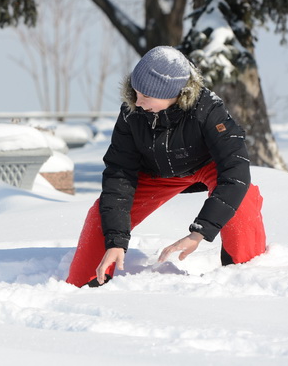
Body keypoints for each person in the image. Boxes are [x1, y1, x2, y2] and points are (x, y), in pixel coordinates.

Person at [66, 46, 266, 287]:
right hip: (156, 174)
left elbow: (236, 172)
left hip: (206, 166)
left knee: (240, 200)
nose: (138, 102)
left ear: (174, 93)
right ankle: (86, 284)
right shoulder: (132, 113)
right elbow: (119, 175)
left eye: (146, 96)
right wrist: (116, 241)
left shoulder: (208, 110)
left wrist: (199, 232)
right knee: (102, 214)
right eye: (135, 92)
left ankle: (247, 275)